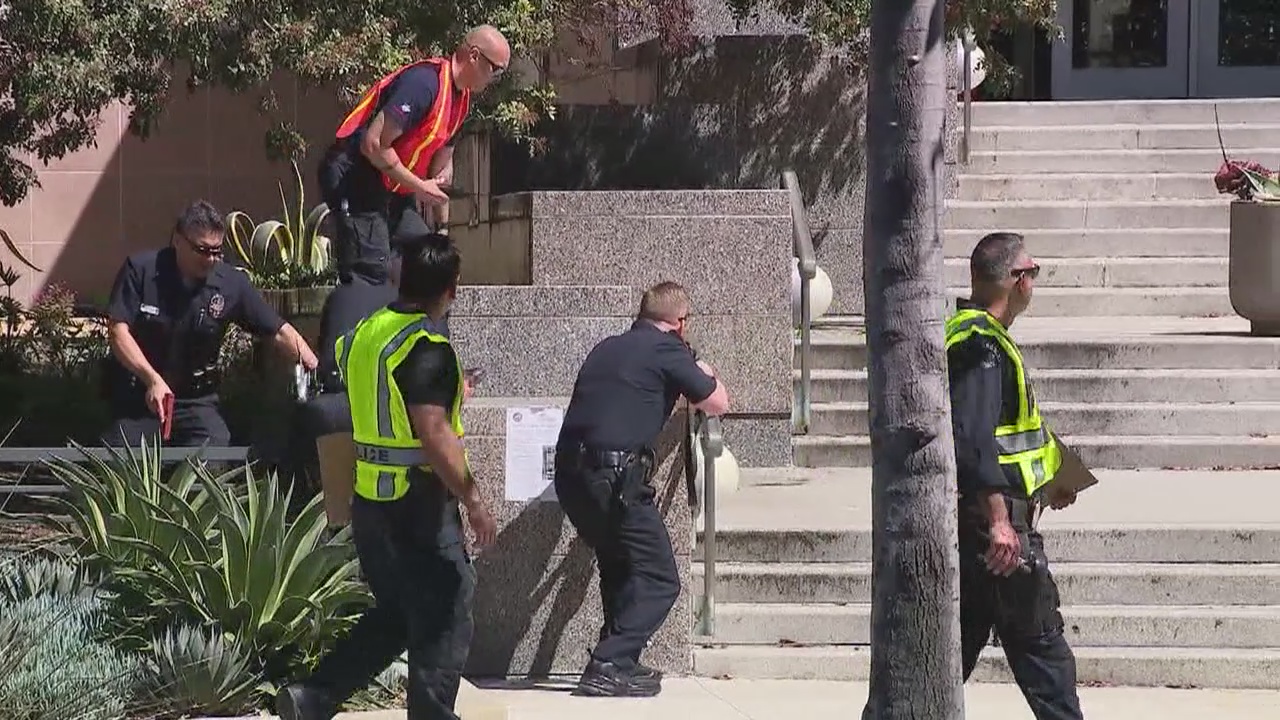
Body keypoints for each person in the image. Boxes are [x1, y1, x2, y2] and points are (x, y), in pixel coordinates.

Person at [277, 233, 498, 720]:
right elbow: (434, 431)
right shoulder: (427, 347)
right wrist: (474, 501)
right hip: (418, 506)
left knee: (398, 613)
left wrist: (449, 389)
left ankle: (313, 698)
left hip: (371, 502)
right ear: (452, 289)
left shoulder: (368, 332)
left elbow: (385, 400)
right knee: (447, 612)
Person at [553, 281, 730, 697]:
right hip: (616, 479)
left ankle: (619, 661)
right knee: (659, 577)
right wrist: (702, 370)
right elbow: (718, 401)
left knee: (618, 567)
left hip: (572, 477)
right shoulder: (668, 349)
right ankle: (609, 661)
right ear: (680, 322)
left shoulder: (607, 347)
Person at [947, 231, 1084, 720]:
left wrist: (1054, 476)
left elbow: (1014, 434)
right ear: (1016, 281)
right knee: (1045, 655)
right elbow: (976, 438)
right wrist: (1002, 522)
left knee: (949, 656)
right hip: (997, 531)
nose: (1035, 280)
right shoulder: (980, 344)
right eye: (1033, 271)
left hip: (991, 522)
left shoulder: (985, 339)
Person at [102, 200, 319, 448]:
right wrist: (151, 379)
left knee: (215, 448)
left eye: (217, 251)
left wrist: (312, 364)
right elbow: (118, 332)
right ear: (178, 240)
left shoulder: (230, 283)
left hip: (195, 400)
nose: (211, 259)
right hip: (140, 396)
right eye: (203, 250)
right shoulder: (141, 271)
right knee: (121, 458)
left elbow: (277, 331)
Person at [318, 24, 510, 288]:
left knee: (434, 264)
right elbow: (373, 144)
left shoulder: (460, 101)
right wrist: (420, 187)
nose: (495, 78)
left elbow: (441, 168)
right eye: (495, 69)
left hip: (395, 186)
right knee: (371, 269)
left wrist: (442, 228)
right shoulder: (423, 84)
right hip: (356, 175)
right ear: (474, 55)